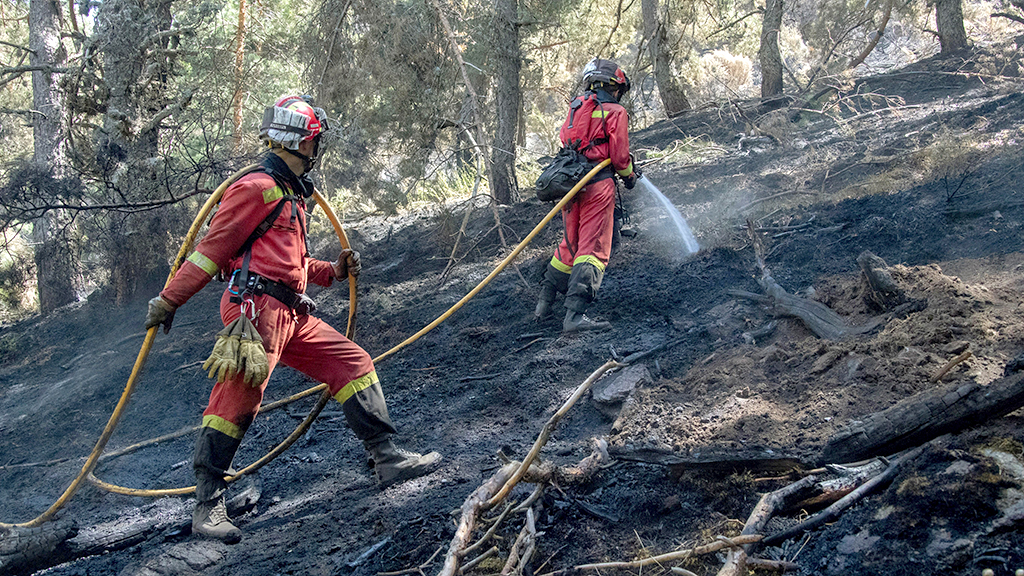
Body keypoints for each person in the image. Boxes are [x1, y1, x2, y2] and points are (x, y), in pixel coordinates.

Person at [144, 95, 441, 544]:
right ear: (302, 141)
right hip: (255, 313)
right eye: (315, 140)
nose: (317, 148)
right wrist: (170, 301)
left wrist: (334, 272)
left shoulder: (289, 196)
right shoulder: (255, 189)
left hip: (289, 310)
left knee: (352, 363)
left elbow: (291, 266)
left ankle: (387, 458)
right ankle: (207, 507)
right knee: (236, 402)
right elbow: (210, 255)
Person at [535, 59, 639, 333]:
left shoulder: (576, 108)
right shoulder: (615, 112)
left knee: (571, 243)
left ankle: (544, 303)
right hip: (597, 186)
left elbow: (566, 139)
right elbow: (619, 157)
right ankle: (574, 317)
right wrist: (629, 176)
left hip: (570, 185)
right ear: (615, 87)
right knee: (592, 249)